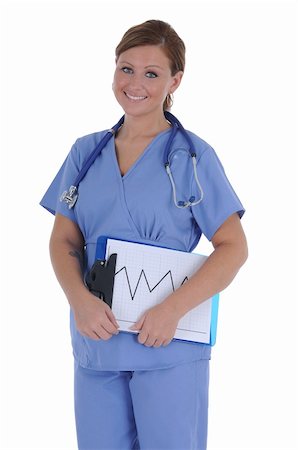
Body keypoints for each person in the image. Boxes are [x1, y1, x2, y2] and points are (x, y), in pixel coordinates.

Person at [40, 19, 248, 450]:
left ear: (175, 80)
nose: (135, 83)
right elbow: (64, 241)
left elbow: (233, 247)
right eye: (125, 68)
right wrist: (79, 301)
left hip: (168, 344)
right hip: (98, 338)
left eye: (152, 73)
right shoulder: (85, 152)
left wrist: (173, 310)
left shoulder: (192, 156)